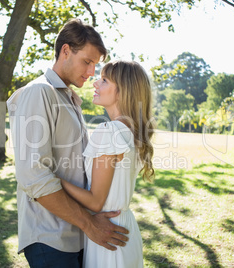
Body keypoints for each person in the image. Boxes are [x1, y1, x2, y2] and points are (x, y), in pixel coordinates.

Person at [6, 19, 129, 268]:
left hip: (76, 234)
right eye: (87, 61)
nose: (92, 71)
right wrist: (89, 223)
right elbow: (33, 175)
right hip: (50, 238)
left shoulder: (68, 98)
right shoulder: (39, 92)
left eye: (95, 64)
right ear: (65, 51)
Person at [61, 60, 155, 267]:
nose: (95, 83)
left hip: (109, 234)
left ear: (122, 92)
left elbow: (95, 202)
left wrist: (54, 179)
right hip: (124, 228)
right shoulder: (133, 132)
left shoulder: (109, 131)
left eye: (104, 80)